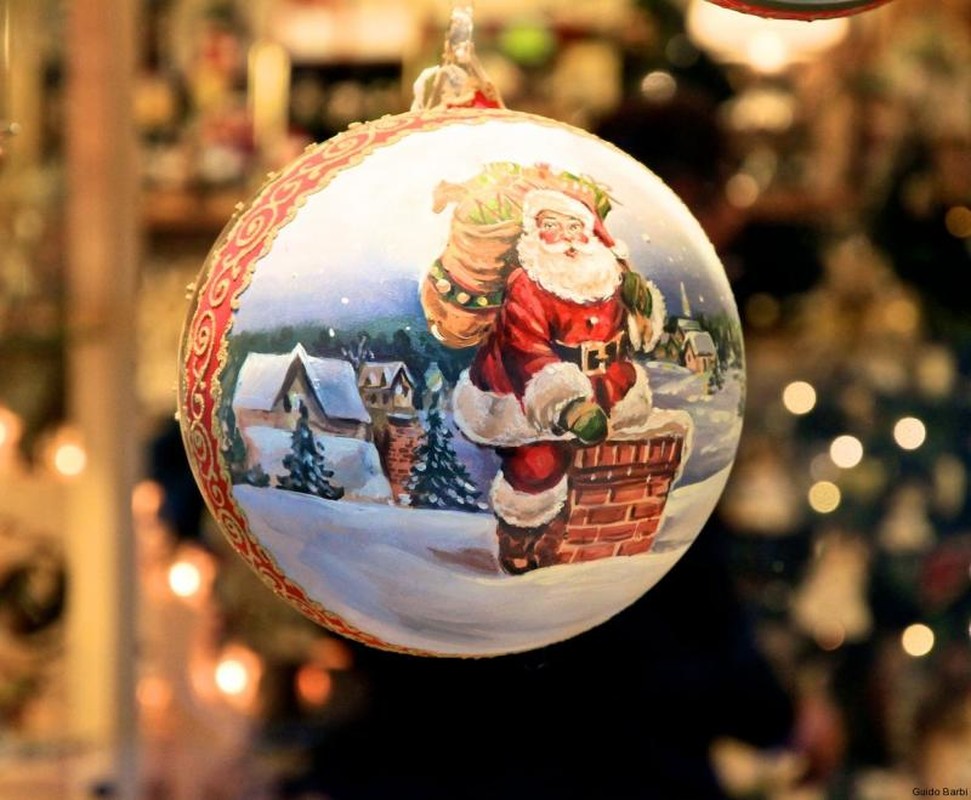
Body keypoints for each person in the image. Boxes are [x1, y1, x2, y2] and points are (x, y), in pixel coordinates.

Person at [451, 187, 665, 572]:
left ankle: (574, 531)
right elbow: (525, 348)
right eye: (551, 225)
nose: (565, 237)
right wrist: (566, 405)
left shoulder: (608, 276)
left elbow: (629, 335)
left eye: (574, 226)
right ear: (535, 233)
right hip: (527, 391)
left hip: (605, 381)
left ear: (591, 233)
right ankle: (520, 534)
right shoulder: (528, 284)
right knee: (538, 463)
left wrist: (640, 311)